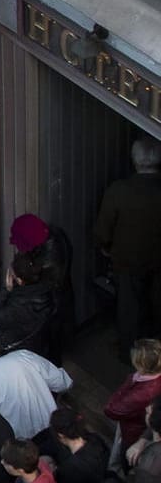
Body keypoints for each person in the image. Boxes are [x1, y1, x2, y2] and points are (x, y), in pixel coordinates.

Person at [95, 138, 161, 353]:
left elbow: (103, 228)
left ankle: (130, 353)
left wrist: (104, 246)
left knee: (129, 309)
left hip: (128, 259)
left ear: (134, 160)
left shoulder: (120, 190)